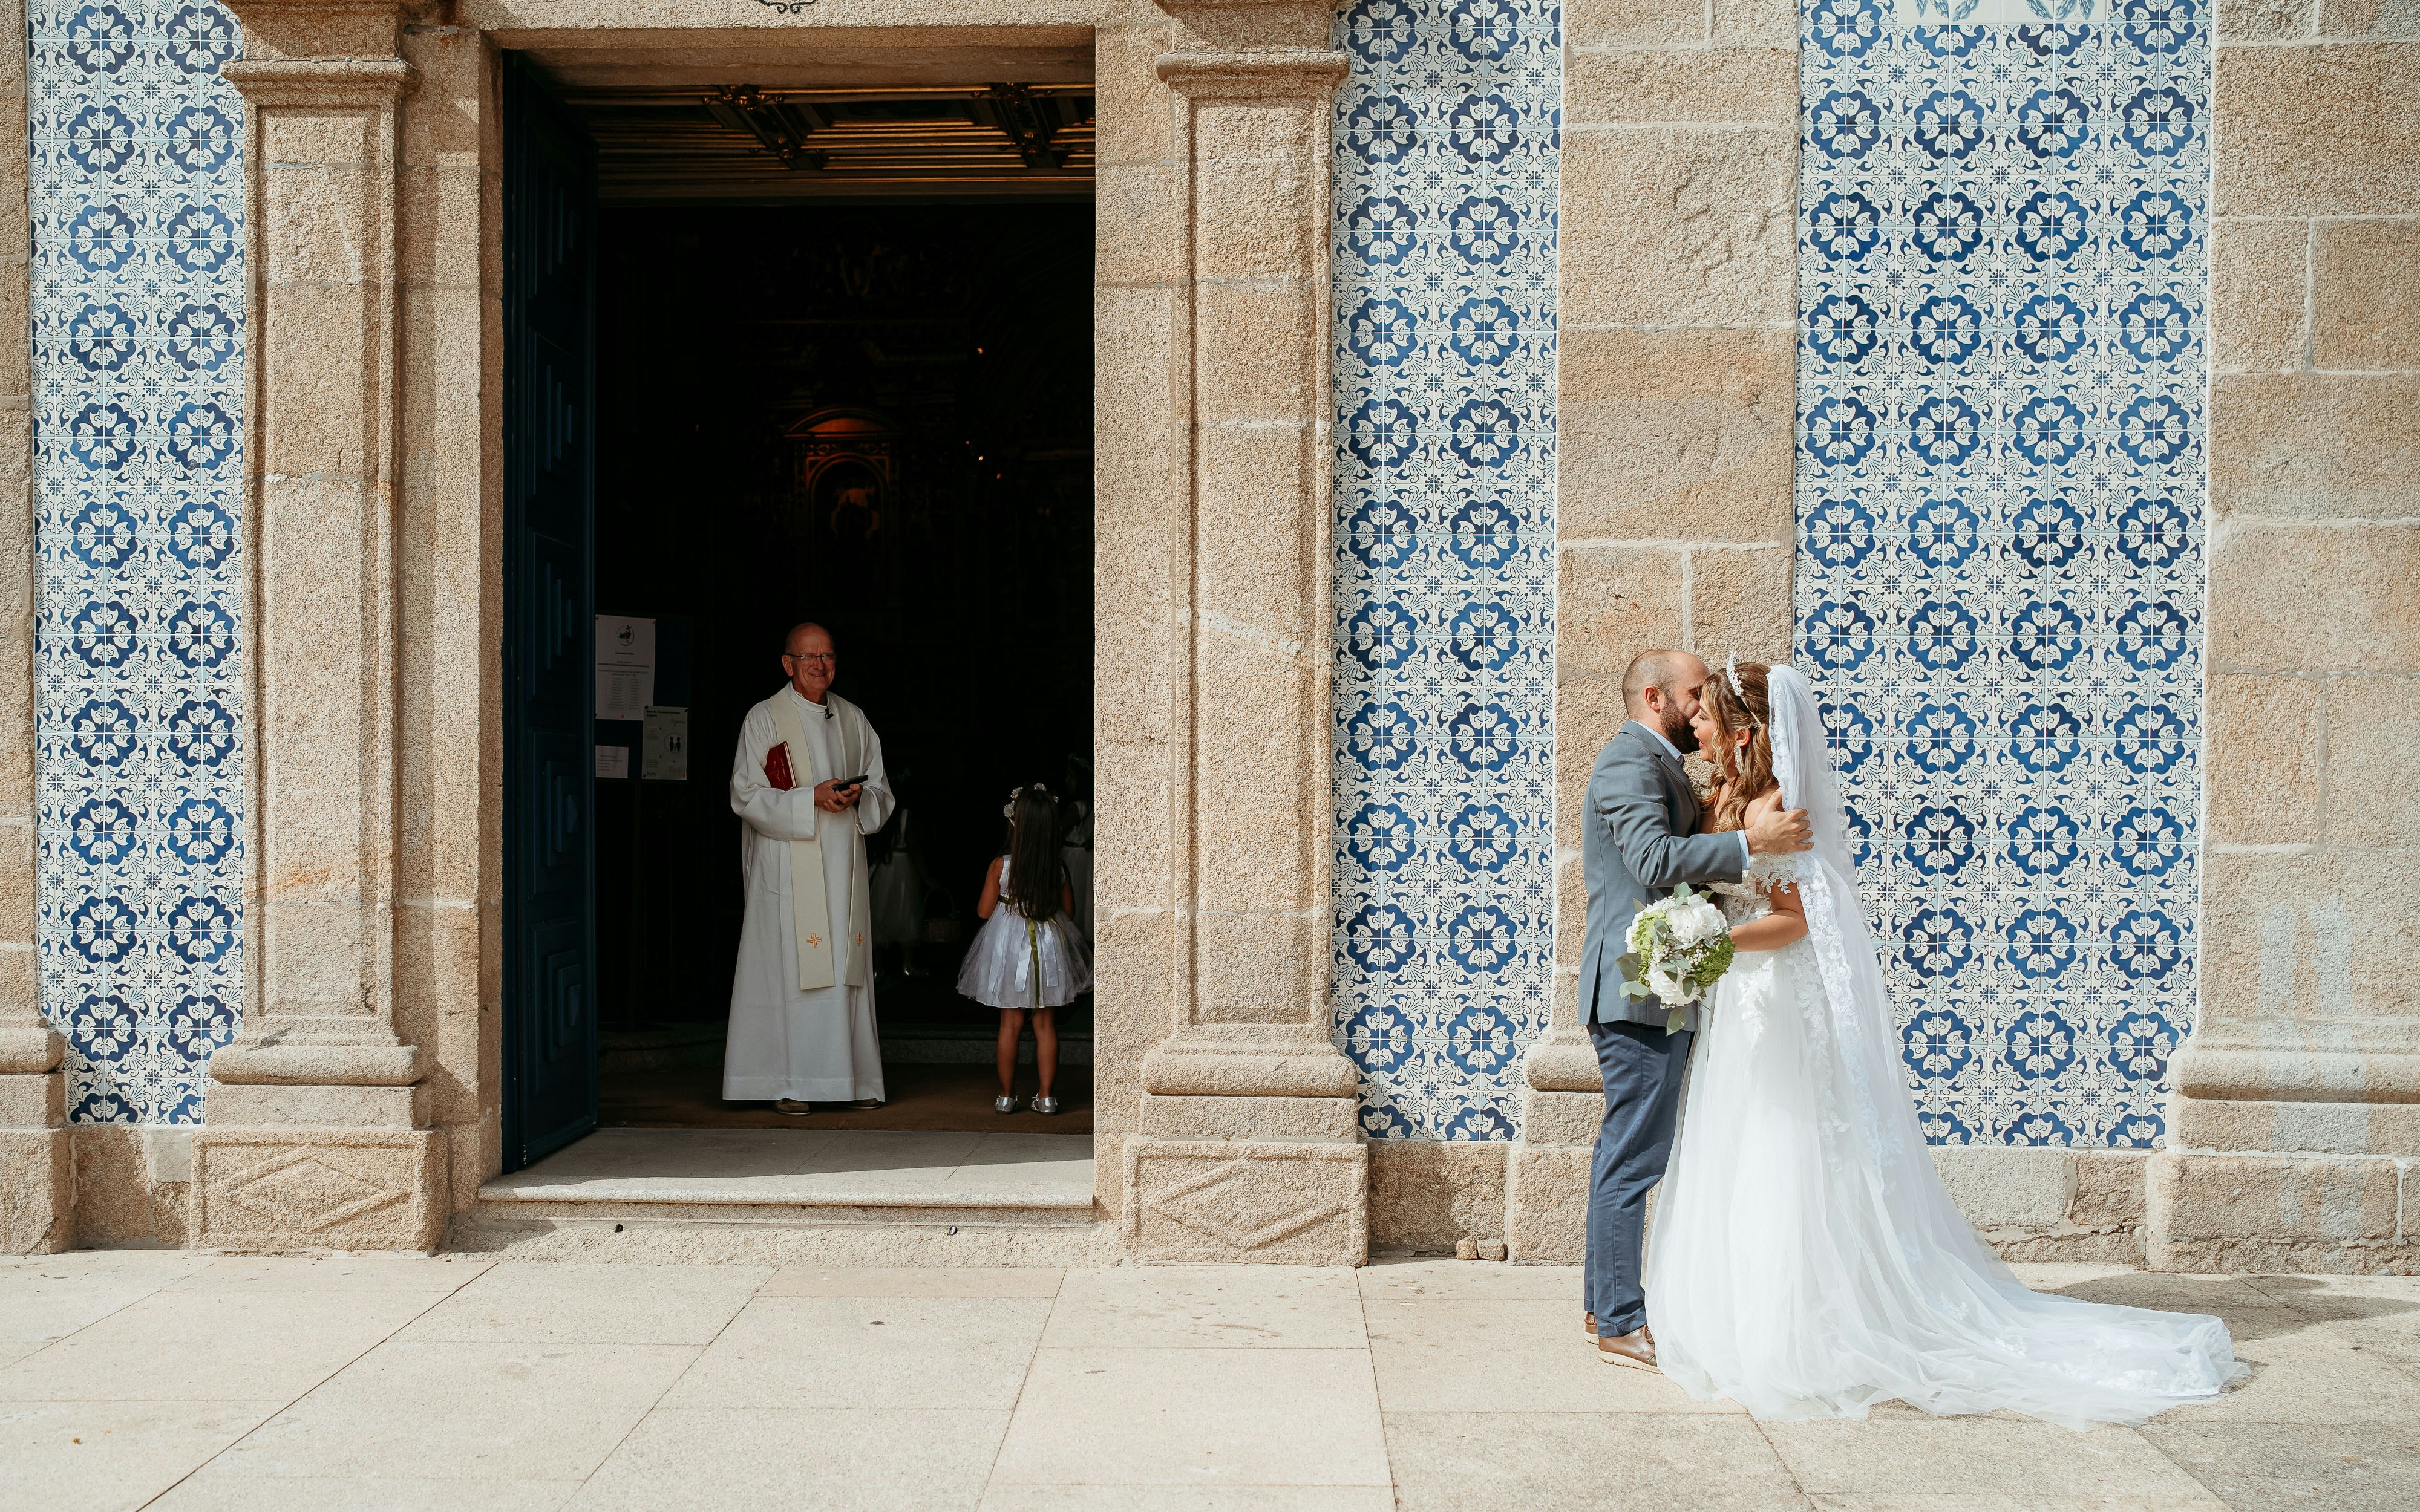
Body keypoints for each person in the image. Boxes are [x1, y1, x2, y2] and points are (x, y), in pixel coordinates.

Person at [1641, 660, 2245, 1426]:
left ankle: (1805, 1324)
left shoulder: (1778, 802)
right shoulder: (1732, 795)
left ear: (1745, 729)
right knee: (1747, 1136)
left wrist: (1714, 946)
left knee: (1785, 1140)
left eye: (1705, 711)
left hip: (1775, 995)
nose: (1693, 720)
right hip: (1748, 997)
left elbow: (1793, 919)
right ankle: (1747, 1306)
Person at [1579, 650, 1811, 1370]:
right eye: (1691, 696)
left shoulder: (1674, 771)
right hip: (1640, 988)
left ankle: (1604, 1304)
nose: (1699, 708)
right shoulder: (1629, 763)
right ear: (1655, 698)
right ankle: (1619, 1319)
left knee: (1634, 1148)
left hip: (1672, 986)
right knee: (1635, 1154)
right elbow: (1652, 862)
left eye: (1710, 704)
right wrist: (1750, 844)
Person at [724, 622, 894, 1112]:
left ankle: (853, 1081)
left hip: (842, 867)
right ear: (788, 664)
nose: (820, 665)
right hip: (787, 871)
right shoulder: (764, 719)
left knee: (843, 969)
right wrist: (809, 799)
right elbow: (745, 793)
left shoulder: (854, 719)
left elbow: (882, 790)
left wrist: (859, 797)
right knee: (791, 973)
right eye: (809, 657)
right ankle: (789, 1082)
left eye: (828, 656)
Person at [958, 783, 1092, 1115]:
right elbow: (1070, 913)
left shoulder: (1000, 866)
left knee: (1010, 1024)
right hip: (1046, 947)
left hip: (1008, 947)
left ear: (1015, 824)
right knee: (1046, 1025)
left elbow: (984, 911)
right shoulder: (1058, 868)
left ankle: (1007, 1096)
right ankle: (1046, 1097)